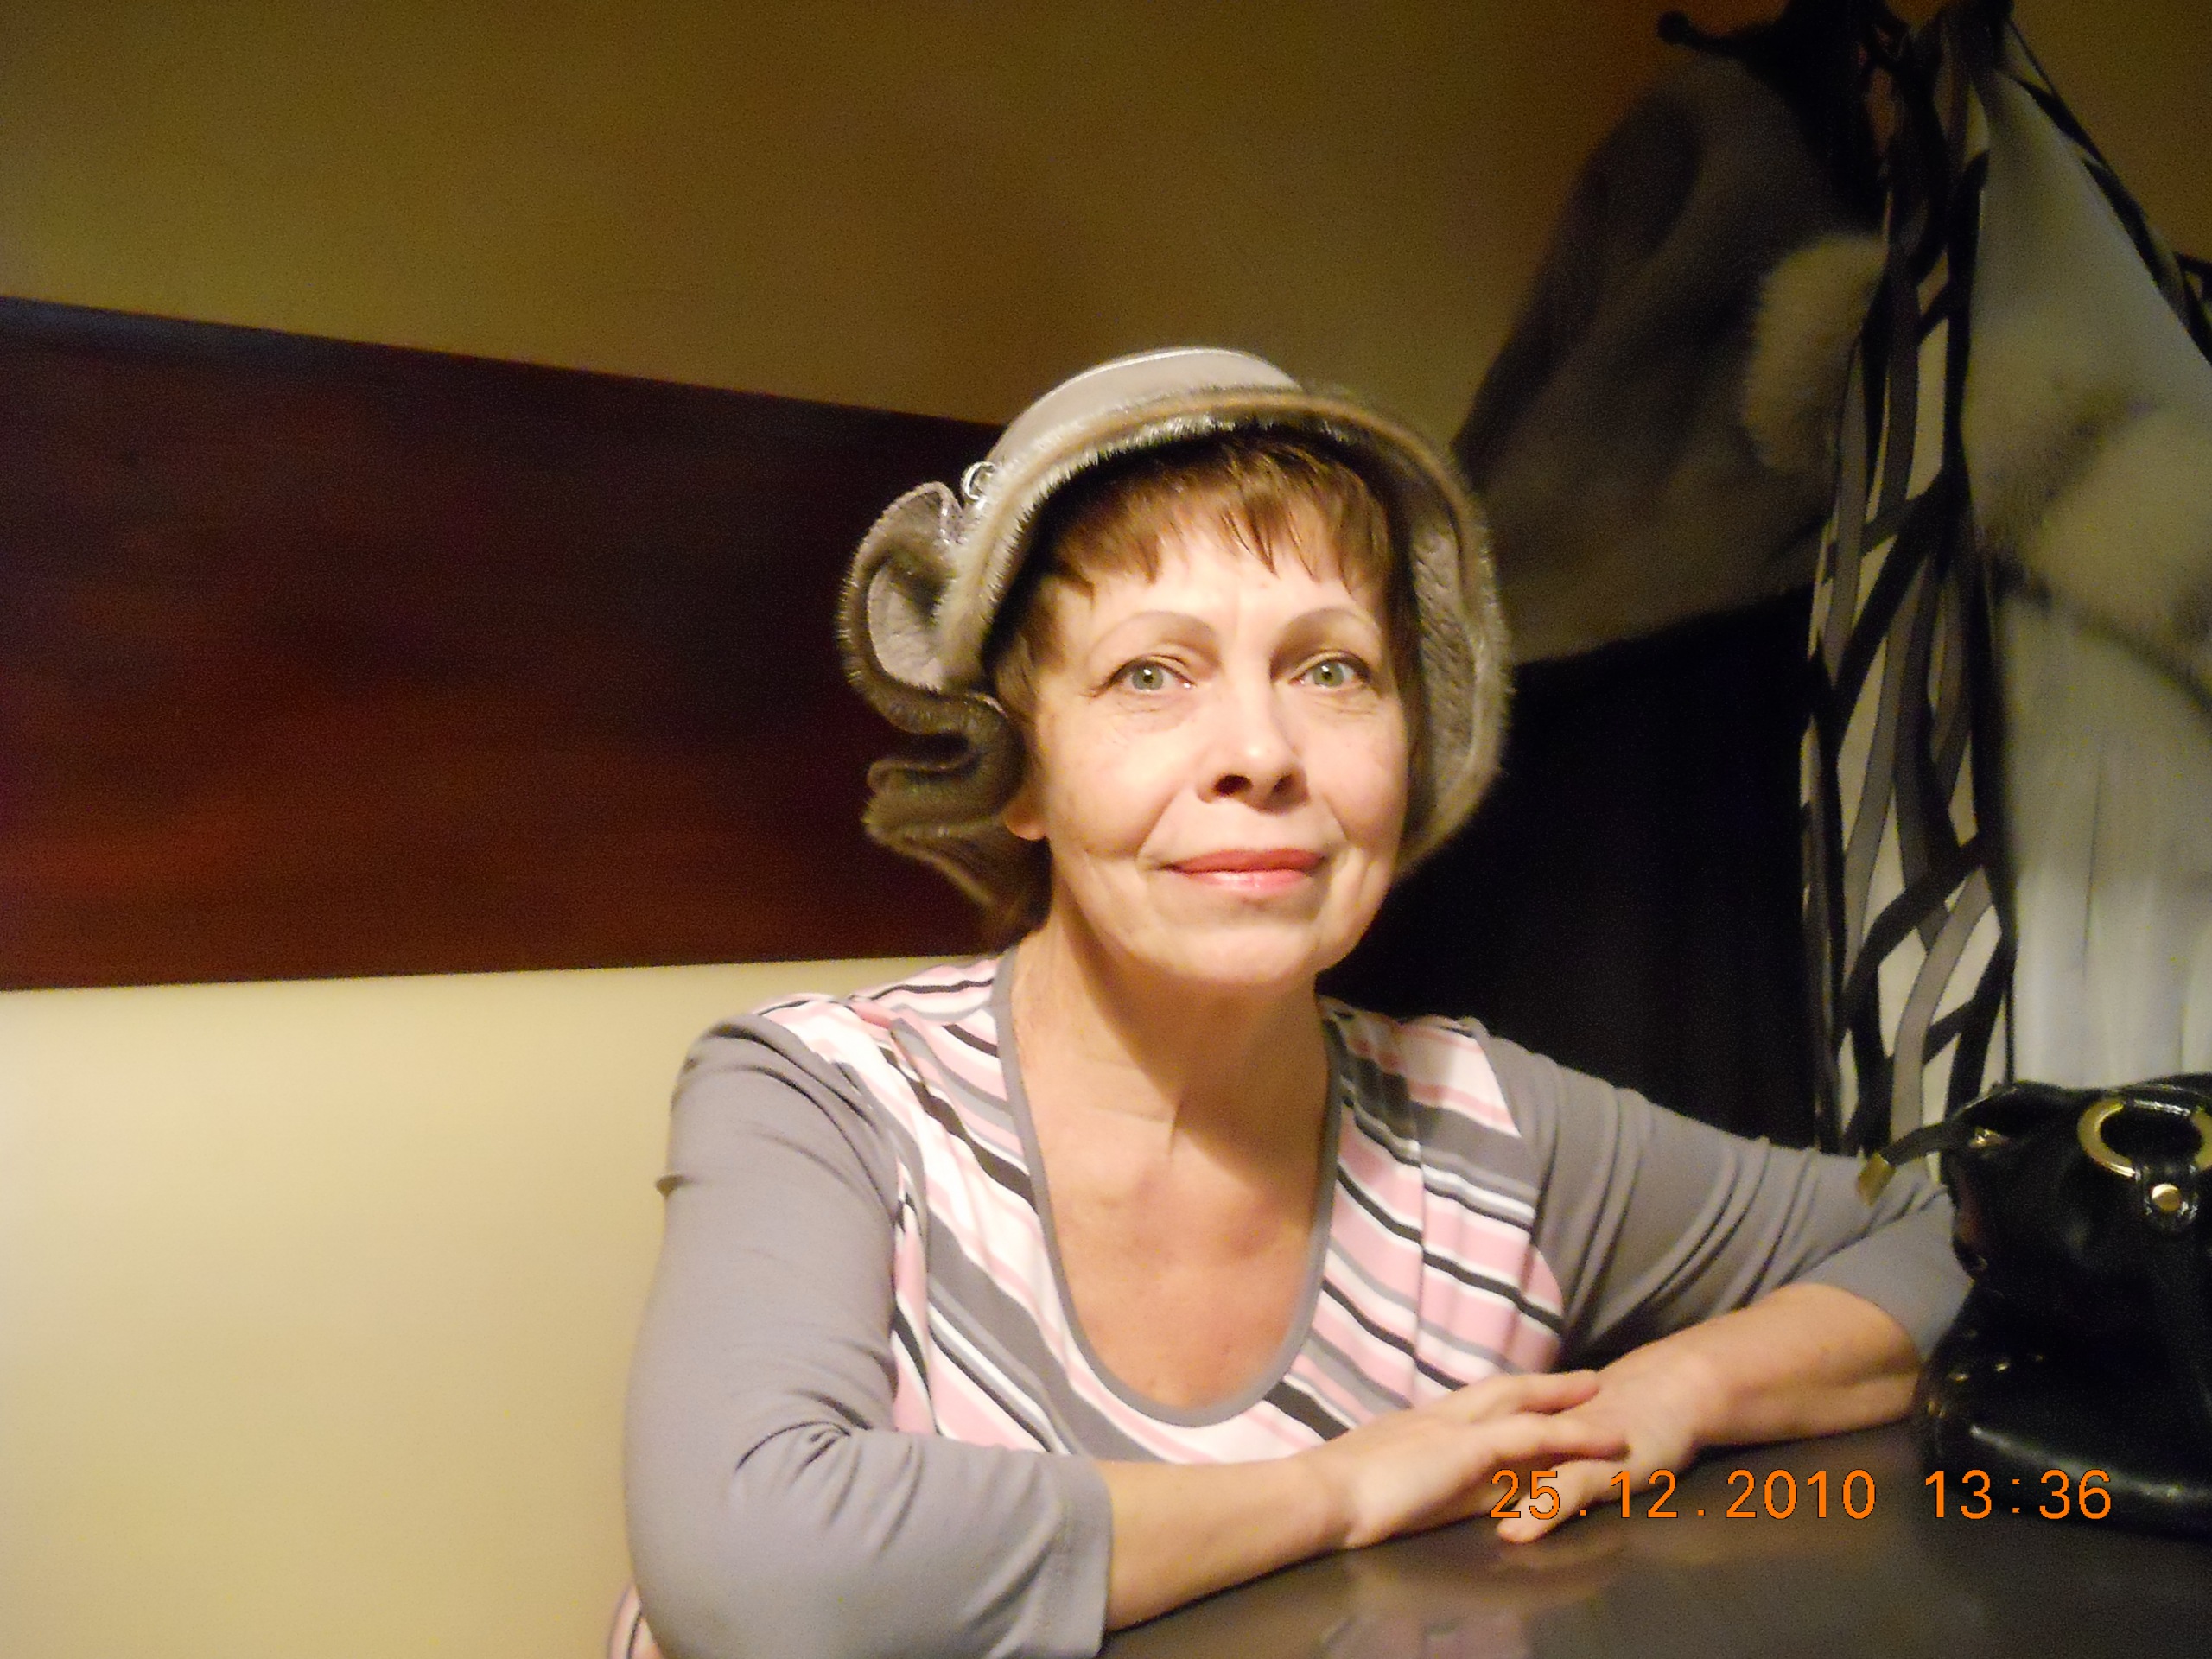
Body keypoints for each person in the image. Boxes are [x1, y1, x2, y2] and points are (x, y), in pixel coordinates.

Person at [622, 348, 1968, 1659]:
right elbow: (756, 1578)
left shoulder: (1489, 1133)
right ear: (1019, 774)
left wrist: (1672, 1392)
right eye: (1151, 675)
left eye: (1333, 670)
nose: (1262, 754)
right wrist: (1340, 1488)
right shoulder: (825, 1099)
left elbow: (1953, 1240)